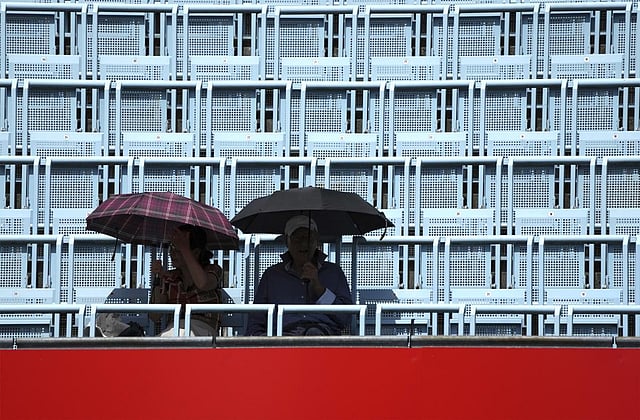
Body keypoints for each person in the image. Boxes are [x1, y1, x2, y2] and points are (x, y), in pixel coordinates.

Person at [246, 215, 353, 336]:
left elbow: (345, 318)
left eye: (308, 238)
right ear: (287, 242)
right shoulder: (272, 275)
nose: (303, 243)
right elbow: (256, 320)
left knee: (314, 333)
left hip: (321, 337)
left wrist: (319, 288)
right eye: (297, 238)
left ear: (316, 241)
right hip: (281, 337)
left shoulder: (333, 272)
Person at [150, 224, 223, 336]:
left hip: (204, 330)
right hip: (175, 330)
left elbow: (203, 284)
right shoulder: (169, 277)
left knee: (181, 334)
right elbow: (154, 316)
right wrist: (158, 279)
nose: (172, 253)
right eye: (171, 247)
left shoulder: (212, 270)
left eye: (178, 249)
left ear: (196, 253)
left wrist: (184, 249)